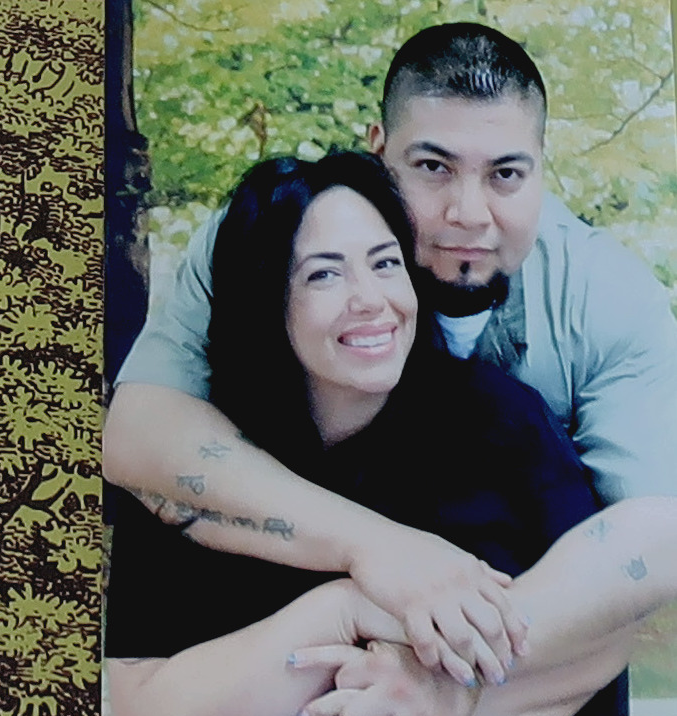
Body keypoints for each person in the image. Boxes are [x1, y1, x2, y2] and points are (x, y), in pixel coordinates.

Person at [106, 151, 675, 716]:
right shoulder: (194, 469)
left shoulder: (501, 425)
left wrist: (448, 696)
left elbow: (603, 641)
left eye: (384, 263)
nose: (370, 299)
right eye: (323, 274)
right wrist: (345, 609)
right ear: (265, 297)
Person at [103, 22, 677, 674]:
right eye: (432, 168)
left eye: (505, 174)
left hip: (527, 694)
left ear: (542, 165)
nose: (467, 212)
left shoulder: (607, 299)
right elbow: (138, 434)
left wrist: (446, 686)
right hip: (282, 667)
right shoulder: (272, 237)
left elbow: (652, 535)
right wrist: (377, 548)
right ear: (379, 149)